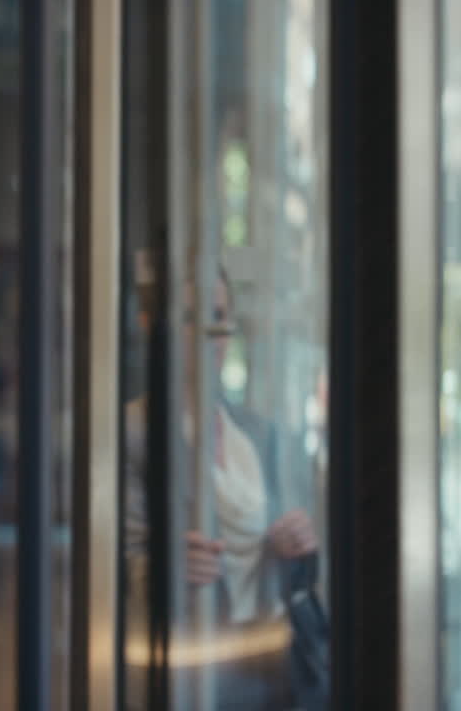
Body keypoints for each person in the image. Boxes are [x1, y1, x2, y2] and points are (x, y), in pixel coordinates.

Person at [124, 269, 325, 711]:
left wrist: (298, 547)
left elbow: (300, 572)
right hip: (192, 665)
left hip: (273, 659)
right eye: (189, 316)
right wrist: (165, 570)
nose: (209, 332)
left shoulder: (258, 433)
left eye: (218, 316)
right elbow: (107, 566)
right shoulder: (131, 432)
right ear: (150, 326)